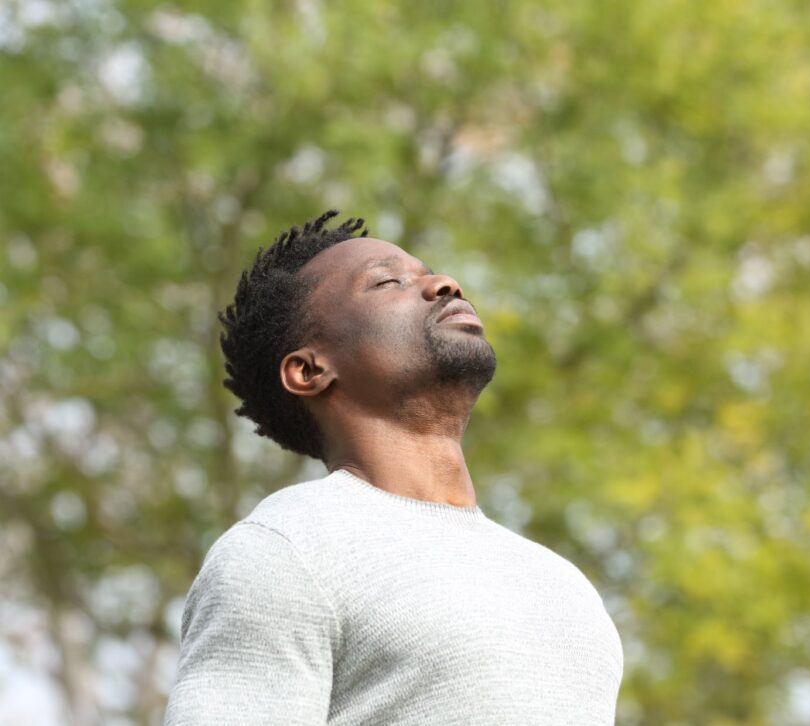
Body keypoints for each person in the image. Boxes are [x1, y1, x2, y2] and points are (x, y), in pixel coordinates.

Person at [164, 211, 624, 725]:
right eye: (388, 282)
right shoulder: (286, 550)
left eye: (431, 273)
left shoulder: (560, 583)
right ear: (310, 369)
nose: (444, 284)